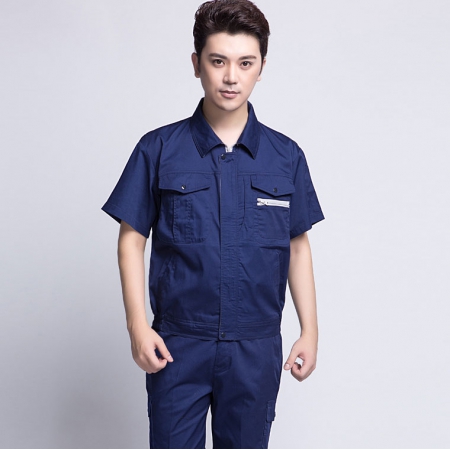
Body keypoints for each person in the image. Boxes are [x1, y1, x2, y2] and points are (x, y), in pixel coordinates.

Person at [102, 0, 325, 447]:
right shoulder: (158, 149)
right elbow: (131, 240)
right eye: (218, 61)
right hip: (178, 344)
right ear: (196, 64)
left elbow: (297, 246)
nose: (231, 77)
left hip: (255, 348)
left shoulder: (286, 156)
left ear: (261, 68)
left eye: (245, 63)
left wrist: (310, 330)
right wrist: (137, 326)